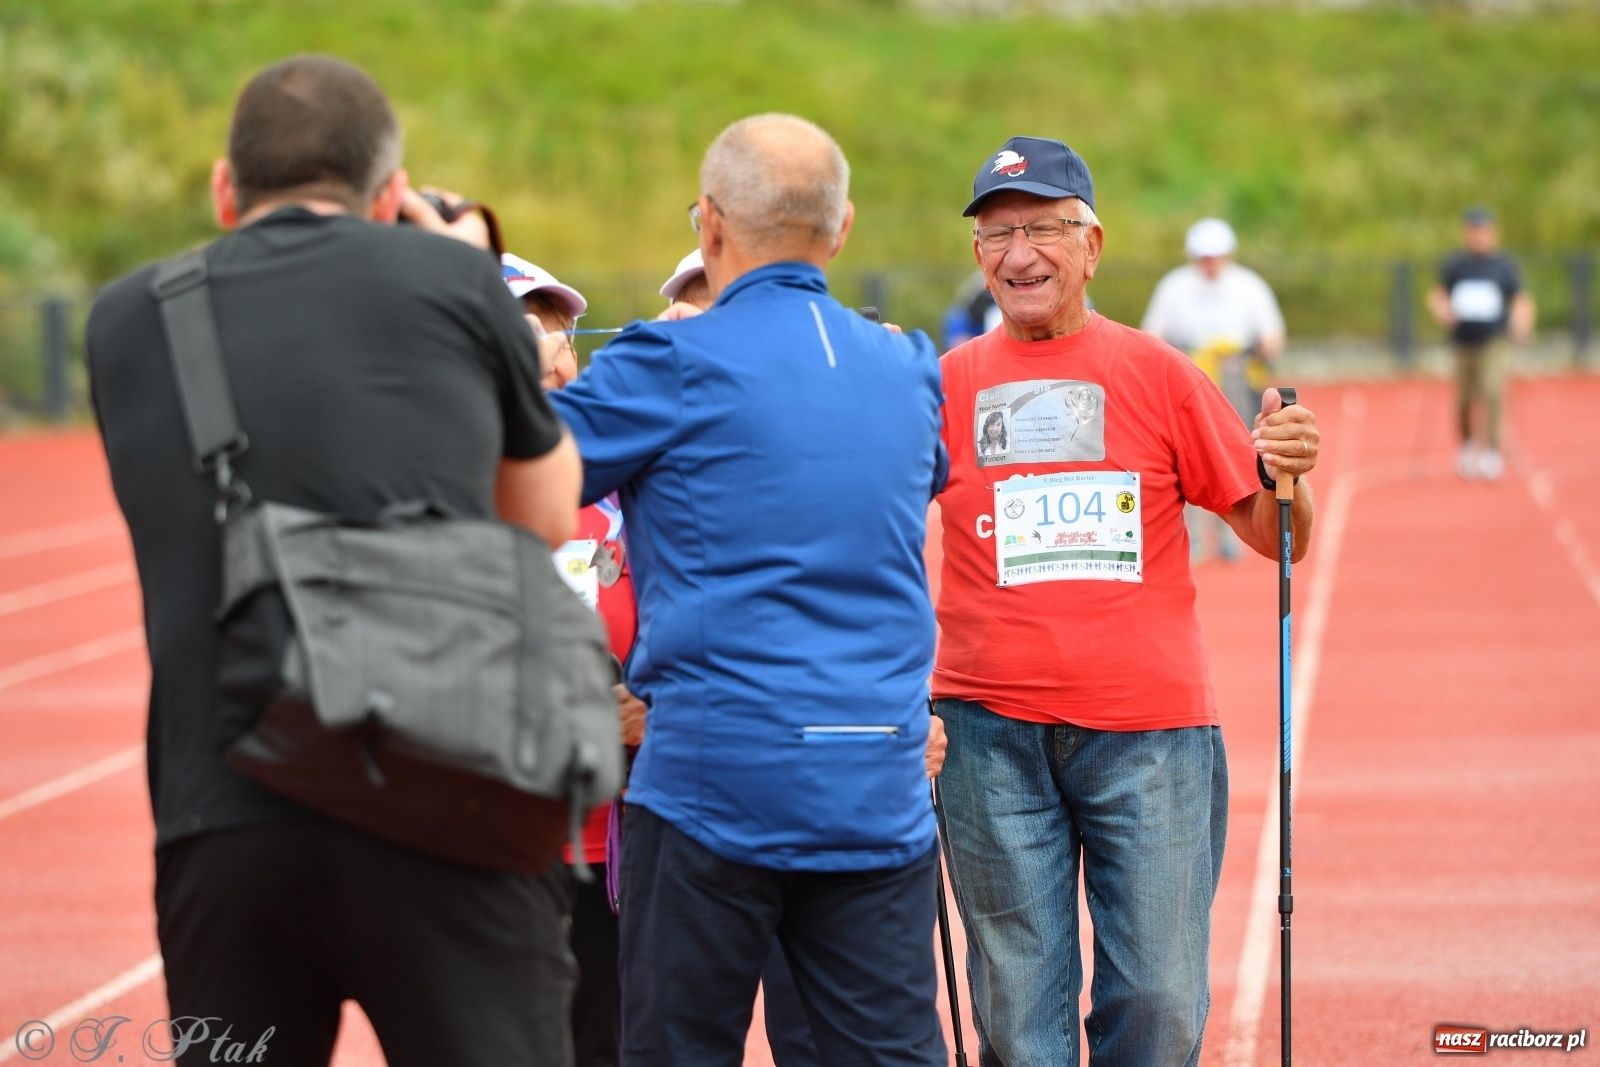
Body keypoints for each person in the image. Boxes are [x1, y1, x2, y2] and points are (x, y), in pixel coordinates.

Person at [86, 55, 582, 1066]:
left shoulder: (127, 318)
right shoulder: (453, 279)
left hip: (219, 811)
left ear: (227, 189)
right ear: (389, 193)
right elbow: (542, 518)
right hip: (444, 792)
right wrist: (463, 265)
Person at [549, 113, 949, 1066]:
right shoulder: (907, 364)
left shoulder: (668, 360)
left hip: (713, 785)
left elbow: (516, 468)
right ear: (843, 229)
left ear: (709, 227)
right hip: (875, 785)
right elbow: (913, 474)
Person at [932, 135, 1321, 1067]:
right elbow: (875, 544)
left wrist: (1291, 477)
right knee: (1018, 1012)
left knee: (1157, 1000)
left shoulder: (1159, 373)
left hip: (1150, 734)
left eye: (1040, 230)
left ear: (1092, 242)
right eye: (994, 235)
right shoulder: (942, 386)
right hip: (986, 733)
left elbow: (1279, 538)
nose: (1016, 254)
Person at [658, 245, 826, 1067]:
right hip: (696, 783)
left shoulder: (831, 421)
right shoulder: (648, 425)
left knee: (814, 1030)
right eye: (700, 304)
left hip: (819, 777)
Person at [504, 252, 644, 1067]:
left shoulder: (624, 487)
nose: (558, 356)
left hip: (615, 842)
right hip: (497, 848)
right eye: (529, 334)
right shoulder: (443, 491)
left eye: (560, 332)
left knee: (608, 1039)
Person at [1141, 217, 1286, 562]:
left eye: (1216, 256)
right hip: (1187, 374)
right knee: (1185, 453)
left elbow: (1272, 335)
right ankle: (1190, 535)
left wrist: (1247, 353)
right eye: (1204, 257)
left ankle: (1232, 532)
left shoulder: (1249, 286)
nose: (1210, 264)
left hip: (1235, 373)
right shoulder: (1174, 287)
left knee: (1236, 450)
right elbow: (1152, 333)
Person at [1427, 206, 1535, 481]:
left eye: (1483, 231)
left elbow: (1520, 298)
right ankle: (1466, 446)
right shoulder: (1456, 265)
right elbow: (1438, 295)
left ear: (1491, 233)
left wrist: (1521, 322)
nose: (1478, 236)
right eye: (1473, 231)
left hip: (1492, 341)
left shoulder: (1503, 266)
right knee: (1463, 400)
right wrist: (1443, 311)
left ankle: (1492, 452)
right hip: (1463, 342)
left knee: (1491, 390)